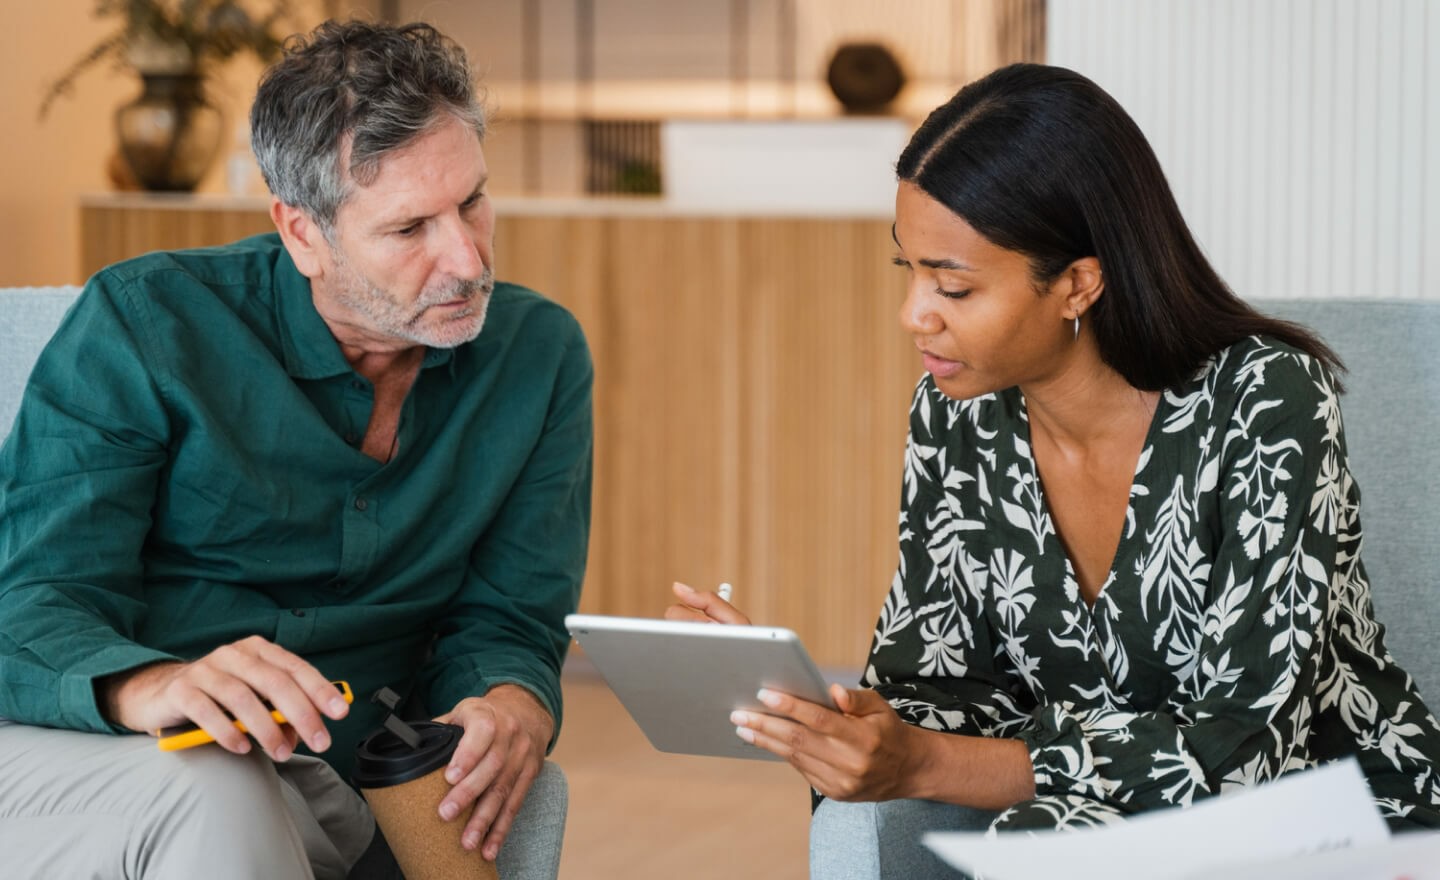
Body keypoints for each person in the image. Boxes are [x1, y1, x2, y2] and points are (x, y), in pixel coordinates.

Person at [669, 62, 1440, 867]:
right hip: (1083, 817)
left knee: (1047, 839)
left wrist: (935, 760)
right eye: (910, 270)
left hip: (1326, 806)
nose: (913, 315)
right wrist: (824, 713)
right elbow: (936, 683)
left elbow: (1244, 745)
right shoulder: (954, 415)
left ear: (1077, 284)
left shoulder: (1264, 402)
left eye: (954, 287)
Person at [0, 20, 591, 880]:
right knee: (216, 785)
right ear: (302, 233)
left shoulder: (537, 357)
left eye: (471, 202)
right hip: (94, 757)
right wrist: (153, 684)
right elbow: (28, 604)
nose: (466, 259)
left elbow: (510, 618)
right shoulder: (145, 325)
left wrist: (512, 703)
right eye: (408, 229)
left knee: (243, 793)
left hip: (328, 786)